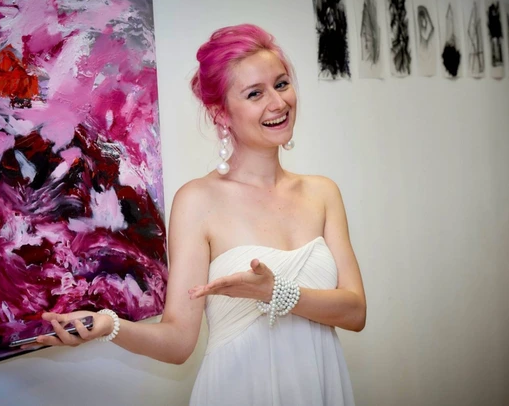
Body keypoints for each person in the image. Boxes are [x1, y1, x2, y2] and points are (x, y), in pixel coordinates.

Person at [37, 24, 366, 406]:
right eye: (255, 93)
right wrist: (109, 325)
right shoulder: (197, 201)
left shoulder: (322, 192)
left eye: (281, 84)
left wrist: (278, 292)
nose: (278, 103)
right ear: (220, 113)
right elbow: (178, 342)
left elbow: (355, 312)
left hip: (319, 386)